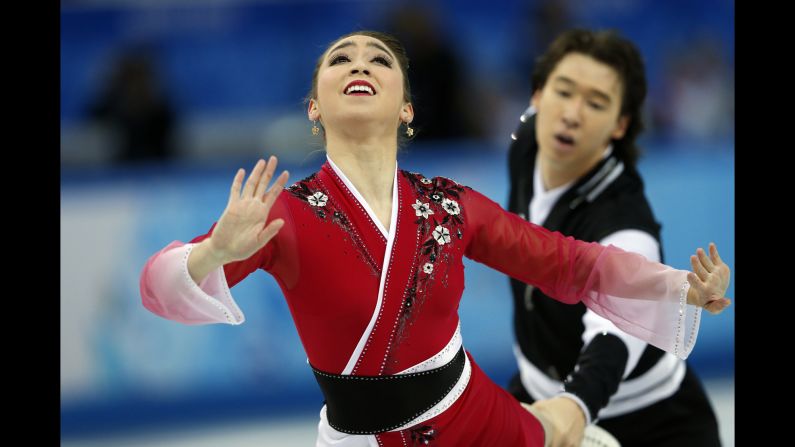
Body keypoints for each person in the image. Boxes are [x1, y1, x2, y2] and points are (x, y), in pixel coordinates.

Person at [139, 31, 730, 447]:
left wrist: (681, 287)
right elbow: (157, 287)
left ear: (407, 110)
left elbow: (572, 263)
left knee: (555, 432)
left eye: (380, 60)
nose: (360, 64)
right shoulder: (282, 216)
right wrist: (216, 251)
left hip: (476, 415)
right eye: (341, 58)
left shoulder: (451, 206)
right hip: (361, 439)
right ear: (315, 107)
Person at [504, 29, 724, 446]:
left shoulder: (624, 225)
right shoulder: (526, 142)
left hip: (653, 423)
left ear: (620, 124)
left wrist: (575, 407)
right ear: (536, 96)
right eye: (563, 91)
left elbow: (612, 337)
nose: (572, 113)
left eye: (596, 103)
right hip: (536, 399)